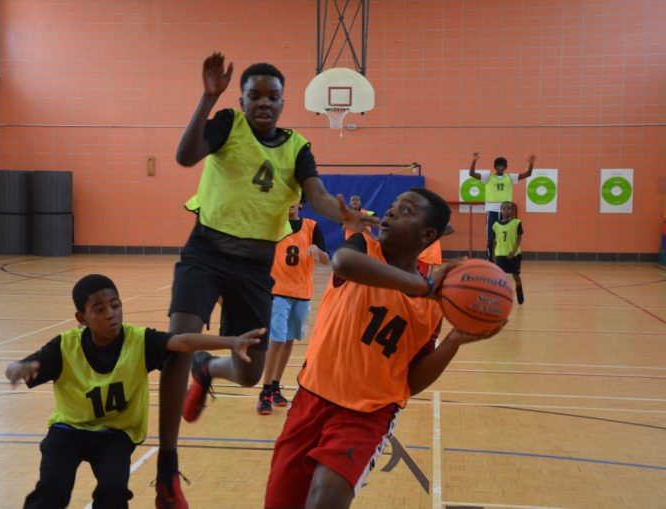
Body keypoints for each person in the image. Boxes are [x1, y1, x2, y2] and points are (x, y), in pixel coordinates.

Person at [157, 52, 377, 508]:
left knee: (249, 371)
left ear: (283, 102)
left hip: (256, 267)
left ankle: (209, 368)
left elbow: (314, 193)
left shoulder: (297, 147)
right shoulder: (226, 124)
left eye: (272, 96)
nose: (263, 102)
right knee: (180, 338)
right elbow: (183, 156)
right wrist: (207, 96)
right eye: (254, 95)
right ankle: (167, 468)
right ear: (241, 98)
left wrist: (344, 214)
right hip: (205, 251)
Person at [264, 188, 504, 509]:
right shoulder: (363, 248)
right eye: (392, 207)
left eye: (405, 211)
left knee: (326, 496)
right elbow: (342, 262)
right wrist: (422, 286)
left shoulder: (432, 306)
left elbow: (411, 382)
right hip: (311, 397)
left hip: (368, 415)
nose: (390, 213)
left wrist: (454, 340)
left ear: (428, 235)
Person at [5, 274, 264, 509]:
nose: (111, 314)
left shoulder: (139, 340)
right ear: (81, 319)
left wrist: (231, 341)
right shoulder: (64, 346)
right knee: (52, 490)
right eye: (100, 309)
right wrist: (17, 367)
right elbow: (17, 366)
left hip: (115, 435)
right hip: (68, 431)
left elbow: (183, 341)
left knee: (113, 491)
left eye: (115, 306)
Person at [256, 200, 328, 415]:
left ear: (300, 203)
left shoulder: (312, 227)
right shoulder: (275, 225)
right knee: (277, 339)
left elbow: (325, 260)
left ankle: (276, 386)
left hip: (302, 293)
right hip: (278, 292)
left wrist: (318, 250)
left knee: (288, 341)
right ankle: (265, 391)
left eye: (293, 197)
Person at [468, 152, 535, 261]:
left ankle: (505, 258)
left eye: (502, 165)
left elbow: (527, 174)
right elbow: (472, 173)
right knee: (491, 237)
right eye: (498, 165)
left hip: (506, 212)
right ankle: (490, 259)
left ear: (505, 167)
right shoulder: (488, 177)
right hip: (492, 211)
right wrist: (474, 160)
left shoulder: (510, 177)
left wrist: (531, 164)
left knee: (507, 236)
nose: (500, 167)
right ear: (495, 167)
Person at [492, 201, 524, 304]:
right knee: (499, 276)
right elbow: (495, 240)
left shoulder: (517, 223)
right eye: (504, 208)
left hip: (513, 254)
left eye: (508, 208)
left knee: (516, 276)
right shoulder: (495, 225)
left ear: (512, 211)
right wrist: (493, 254)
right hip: (500, 254)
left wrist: (514, 251)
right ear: (501, 211)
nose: (506, 210)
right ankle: (500, 296)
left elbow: (519, 239)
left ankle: (519, 290)